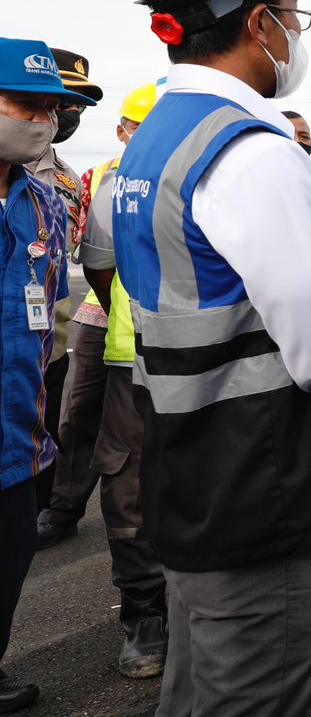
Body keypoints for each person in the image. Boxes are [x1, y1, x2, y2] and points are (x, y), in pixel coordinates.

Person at [117, 0, 311, 716]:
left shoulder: (159, 137)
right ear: (261, 23)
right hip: (262, 476)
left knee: (200, 692)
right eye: (295, 16)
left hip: (190, 465)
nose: (297, 34)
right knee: (262, 692)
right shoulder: (252, 149)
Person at [0, 37, 95, 714]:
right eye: (23, 104)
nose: (41, 119)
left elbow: (50, 298)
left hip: (18, 435)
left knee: (9, 569)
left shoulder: (46, 199)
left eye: (49, 108)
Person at [71, 84, 171, 680]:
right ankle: (143, 615)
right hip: (130, 366)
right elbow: (100, 270)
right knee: (128, 493)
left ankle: (197, 609)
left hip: (214, 366)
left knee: (206, 484)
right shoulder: (115, 183)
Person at [37, 83, 158, 553]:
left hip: (147, 322)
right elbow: (85, 256)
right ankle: (61, 508)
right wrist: (110, 307)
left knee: (135, 434)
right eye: (138, 128)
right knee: (79, 414)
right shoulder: (95, 177)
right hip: (99, 314)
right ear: (121, 131)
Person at [26, 48, 98, 519]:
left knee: (43, 432)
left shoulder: (69, 182)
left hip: (47, 343)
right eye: (61, 99)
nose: (68, 112)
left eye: (76, 105)